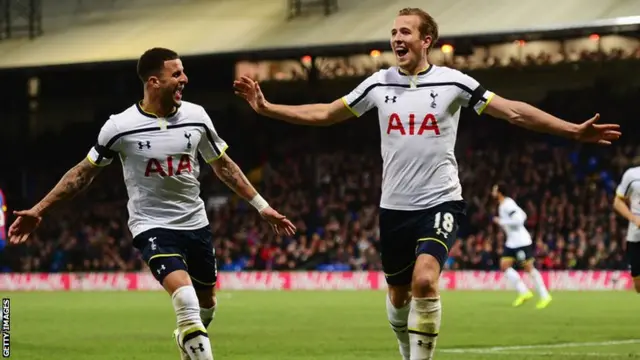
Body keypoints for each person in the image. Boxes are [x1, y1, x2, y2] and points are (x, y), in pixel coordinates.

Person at [233, 7, 620, 360]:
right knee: (399, 296)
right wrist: (268, 109)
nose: (397, 39)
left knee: (424, 280)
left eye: (405, 32)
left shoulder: (454, 82)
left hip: (440, 202)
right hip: (394, 208)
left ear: (426, 40)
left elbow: (513, 112)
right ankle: (406, 350)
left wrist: (571, 130)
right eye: (393, 32)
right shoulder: (378, 85)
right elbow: (326, 114)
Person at [8, 47, 296, 360]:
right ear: (154, 82)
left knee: (207, 304)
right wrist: (39, 209)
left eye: (183, 71)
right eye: (177, 74)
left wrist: (261, 205)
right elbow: (82, 174)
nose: (185, 79)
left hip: (195, 224)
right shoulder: (120, 126)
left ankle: (187, 341)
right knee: (185, 298)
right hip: (152, 225)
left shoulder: (197, 118)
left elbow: (223, 166)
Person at [491, 183, 551, 308]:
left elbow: (520, 218)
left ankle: (545, 296)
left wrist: (501, 221)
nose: (492, 192)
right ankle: (524, 292)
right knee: (504, 265)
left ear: (500, 192)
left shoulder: (507, 204)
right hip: (511, 242)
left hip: (521, 241)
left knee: (529, 268)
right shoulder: (503, 205)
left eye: (494, 190)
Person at [613, 165, 640, 293]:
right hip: (636, 236)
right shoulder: (632, 175)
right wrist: (634, 219)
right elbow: (617, 202)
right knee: (638, 285)